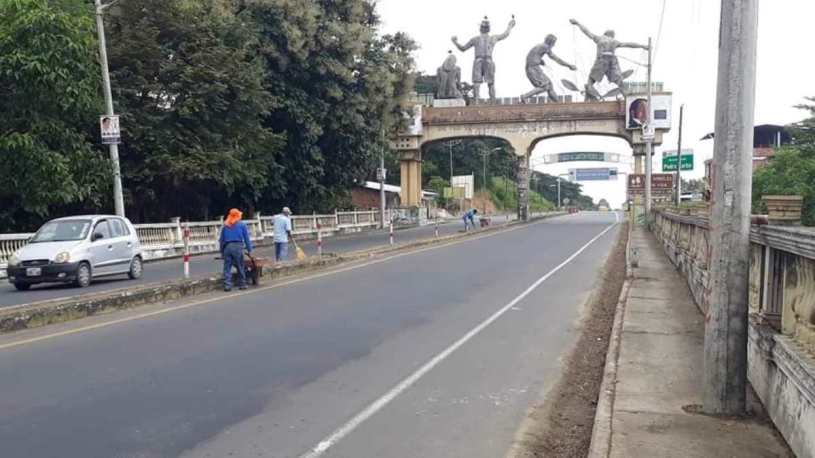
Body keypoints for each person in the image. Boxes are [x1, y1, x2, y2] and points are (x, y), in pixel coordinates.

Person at [569, 19, 649, 100]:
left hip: (601, 61)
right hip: (612, 62)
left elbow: (587, 32)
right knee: (620, 84)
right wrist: (642, 46)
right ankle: (628, 100)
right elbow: (629, 44)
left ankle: (587, 101)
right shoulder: (614, 41)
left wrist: (578, 23)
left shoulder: (599, 38)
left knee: (590, 83)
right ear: (611, 35)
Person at [452, 16, 515, 102]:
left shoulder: (478, 39)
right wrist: (510, 26)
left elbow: (463, 48)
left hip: (480, 60)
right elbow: (505, 34)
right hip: (486, 60)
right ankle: (490, 102)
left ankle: (479, 102)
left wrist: (455, 42)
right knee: (487, 83)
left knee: (481, 83)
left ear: (480, 28)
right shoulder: (490, 38)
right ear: (488, 29)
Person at [521, 34, 577, 103]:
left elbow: (532, 56)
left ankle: (558, 103)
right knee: (544, 86)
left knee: (550, 85)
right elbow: (556, 59)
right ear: (551, 42)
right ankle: (525, 96)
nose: (554, 45)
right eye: (554, 43)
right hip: (533, 69)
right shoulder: (545, 47)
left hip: (533, 68)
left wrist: (539, 61)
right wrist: (569, 65)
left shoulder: (540, 46)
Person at [219, 208, 253, 291]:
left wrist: (222, 252)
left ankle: (227, 285)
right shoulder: (242, 225)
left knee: (227, 267)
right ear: (238, 216)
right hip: (238, 246)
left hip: (227, 247)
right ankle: (242, 284)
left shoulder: (225, 225)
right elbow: (246, 238)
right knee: (240, 266)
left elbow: (221, 240)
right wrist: (249, 250)